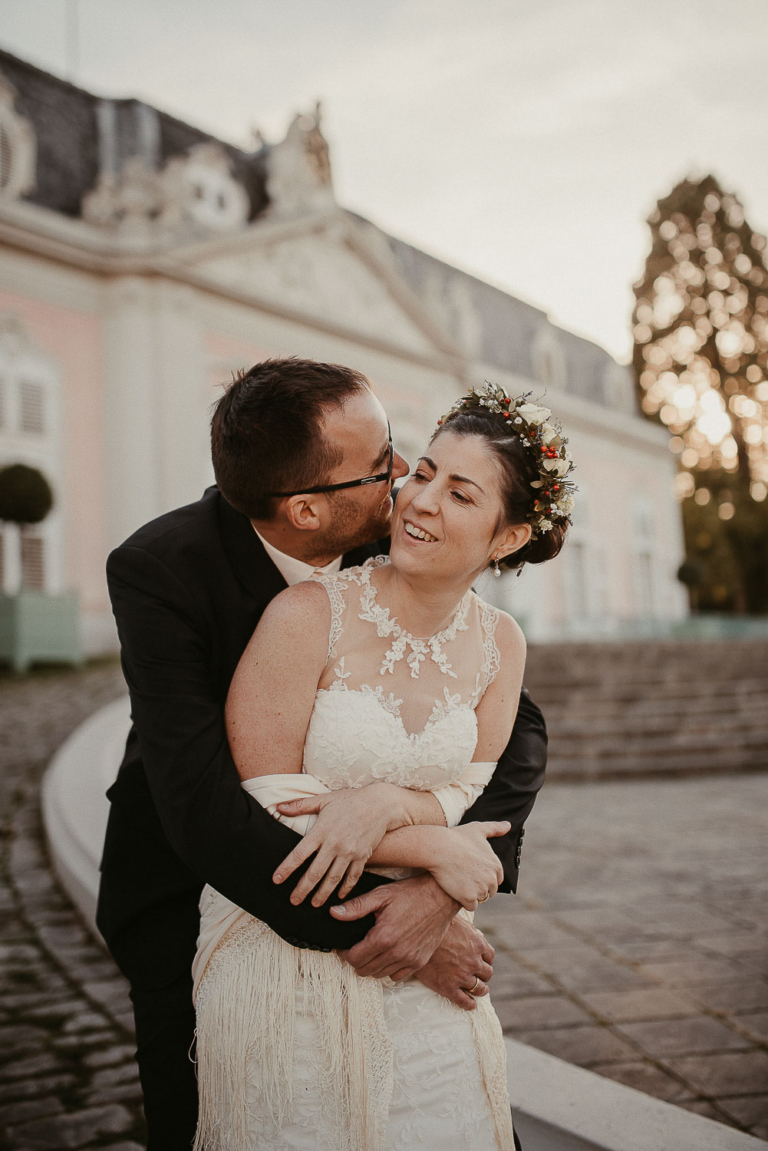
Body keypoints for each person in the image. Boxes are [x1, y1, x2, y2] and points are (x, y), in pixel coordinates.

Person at [97, 360, 549, 1150]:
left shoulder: (387, 516)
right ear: (305, 509)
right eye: (386, 467)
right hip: (196, 879)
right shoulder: (162, 570)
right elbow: (207, 810)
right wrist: (405, 932)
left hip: (380, 882)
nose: (407, 481)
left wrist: (452, 879)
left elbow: (516, 728)